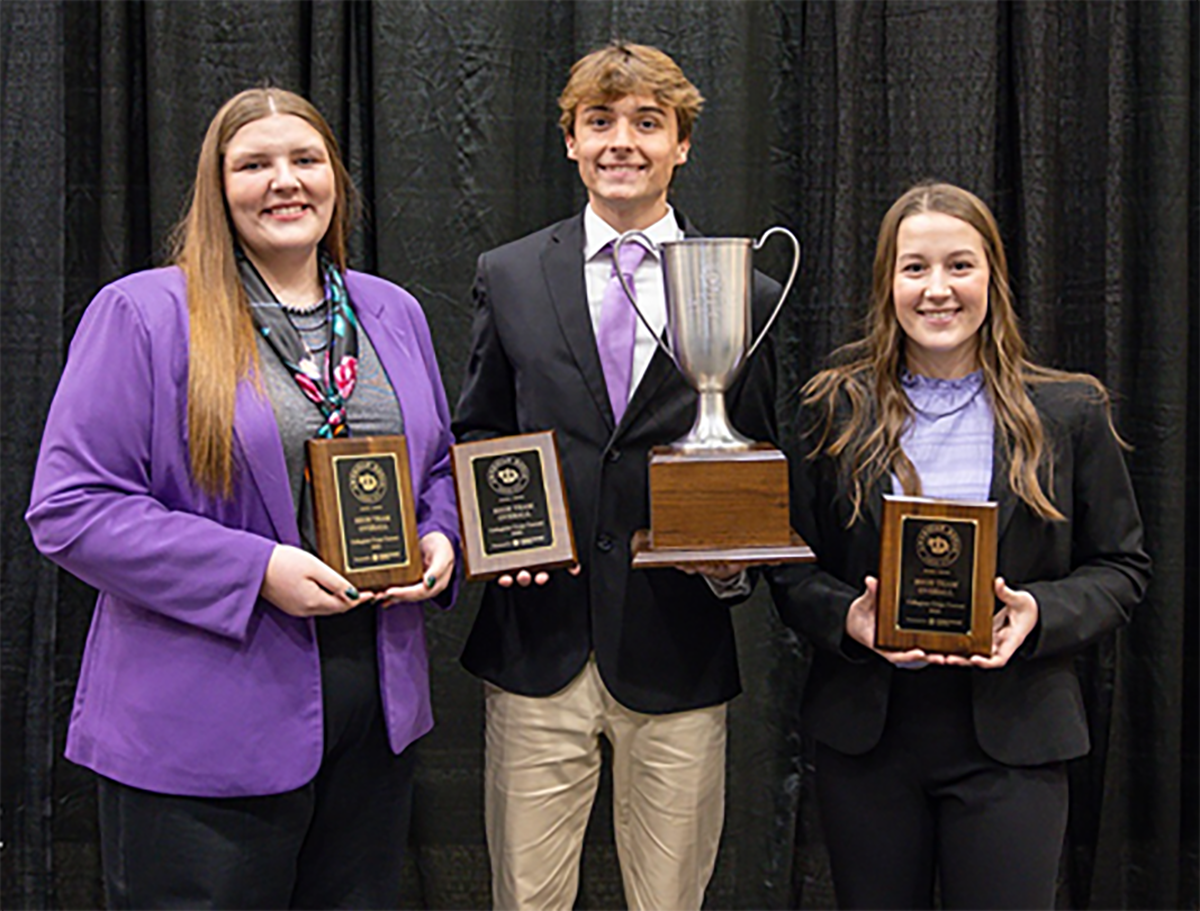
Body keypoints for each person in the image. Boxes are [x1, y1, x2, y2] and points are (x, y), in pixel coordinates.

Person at [26, 87, 459, 908]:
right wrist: (257, 567)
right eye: (254, 164)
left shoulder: (390, 311)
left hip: (372, 717)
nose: (284, 181)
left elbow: (434, 473)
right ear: (217, 186)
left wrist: (441, 541)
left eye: (305, 160)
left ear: (336, 177)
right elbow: (71, 507)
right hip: (203, 723)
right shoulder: (145, 313)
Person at [452, 43, 779, 910]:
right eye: (599, 121)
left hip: (677, 649)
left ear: (683, 144)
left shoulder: (744, 282)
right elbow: (479, 428)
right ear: (569, 140)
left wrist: (733, 559)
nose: (620, 141)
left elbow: (761, 453)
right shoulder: (510, 274)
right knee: (526, 897)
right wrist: (495, 534)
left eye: (646, 122)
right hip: (537, 642)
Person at [767, 182, 1151, 909]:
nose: (937, 289)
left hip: (1015, 738)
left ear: (992, 278)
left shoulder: (1068, 409)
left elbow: (1124, 567)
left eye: (959, 266)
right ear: (887, 283)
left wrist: (1038, 610)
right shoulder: (836, 407)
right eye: (914, 268)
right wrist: (848, 617)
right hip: (871, 740)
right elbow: (790, 561)